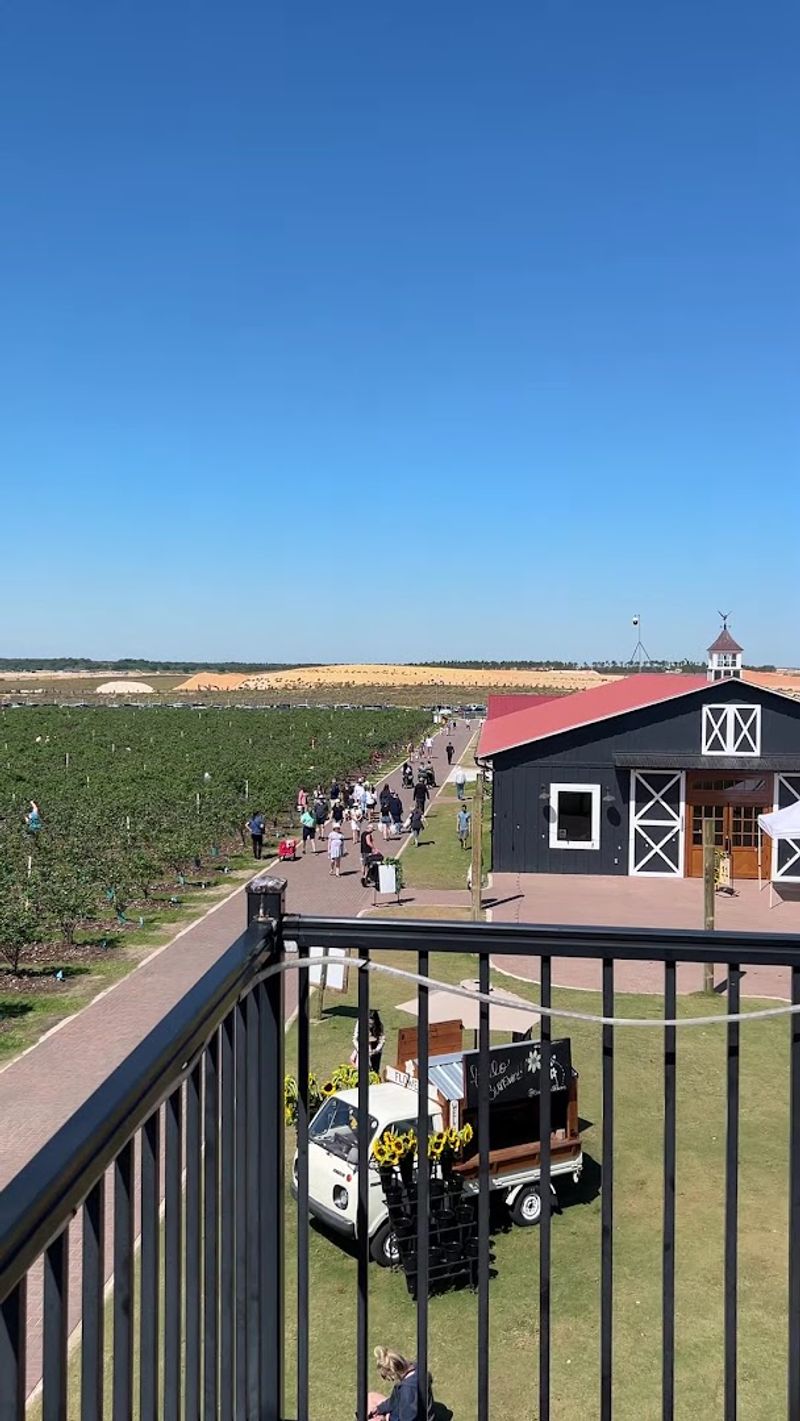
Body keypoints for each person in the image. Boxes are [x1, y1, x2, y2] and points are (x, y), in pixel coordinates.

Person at [368, 1347, 436, 1421]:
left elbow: (408, 1418)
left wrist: (386, 1418)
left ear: (394, 1373)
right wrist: (379, 1408)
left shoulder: (407, 1390)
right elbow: (395, 1400)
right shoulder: (418, 1370)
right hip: (420, 1414)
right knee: (371, 1396)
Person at [352, 1009, 386, 1073]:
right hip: (363, 1048)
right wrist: (360, 1049)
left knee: (375, 1071)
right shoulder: (360, 1023)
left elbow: (382, 1040)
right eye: (368, 1023)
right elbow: (355, 1039)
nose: (370, 1026)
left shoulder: (380, 1025)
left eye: (371, 1024)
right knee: (362, 1070)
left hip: (375, 1050)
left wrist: (376, 1050)